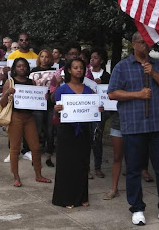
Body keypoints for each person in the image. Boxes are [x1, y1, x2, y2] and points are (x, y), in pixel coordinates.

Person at [107, 32, 159, 226]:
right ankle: (137, 208)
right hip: (133, 127)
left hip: (158, 126)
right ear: (133, 44)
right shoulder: (122, 67)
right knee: (133, 170)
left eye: (148, 42)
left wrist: (153, 73)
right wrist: (138, 94)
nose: (145, 45)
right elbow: (112, 93)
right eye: (141, 42)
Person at [52, 58, 98, 208]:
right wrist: (56, 110)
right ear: (69, 70)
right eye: (75, 67)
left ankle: (82, 196)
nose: (79, 70)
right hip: (67, 131)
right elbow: (57, 112)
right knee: (66, 164)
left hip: (83, 131)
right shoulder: (62, 89)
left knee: (82, 163)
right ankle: (66, 198)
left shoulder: (89, 90)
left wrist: (98, 109)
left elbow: (93, 109)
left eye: (81, 67)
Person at [0, 57, 51, 186]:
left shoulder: (31, 82)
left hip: (29, 117)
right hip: (15, 117)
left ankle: (38, 174)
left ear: (27, 68)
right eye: (19, 66)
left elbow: (36, 101)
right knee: (15, 148)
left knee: (35, 147)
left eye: (24, 66)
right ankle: (16, 176)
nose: (22, 68)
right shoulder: (10, 82)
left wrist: (43, 98)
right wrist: (7, 93)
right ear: (14, 69)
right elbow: (2, 103)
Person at [4, 33, 37, 162]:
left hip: (28, 95)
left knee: (29, 128)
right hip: (15, 95)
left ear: (29, 41)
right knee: (12, 129)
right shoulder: (12, 56)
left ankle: (27, 151)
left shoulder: (35, 56)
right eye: (21, 40)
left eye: (26, 40)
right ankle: (12, 152)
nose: (24, 42)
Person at [31, 49, 56, 167]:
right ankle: (35, 156)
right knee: (37, 130)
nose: (44, 59)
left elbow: (57, 88)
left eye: (47, 57)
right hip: (37, 105)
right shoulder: (34, 71)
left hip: (51, 105)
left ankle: (48, 156)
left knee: (50, 131)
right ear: (39, 58)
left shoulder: (55, 72)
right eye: (42, 57)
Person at [89, 48, 111, 178]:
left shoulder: (107, 76)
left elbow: (110, 94)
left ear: (101, 61)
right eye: (91, 57)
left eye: (95, 57)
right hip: (85, 111)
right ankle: (86, 168)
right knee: (86, 140)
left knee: (97, 139)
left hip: (99, 112)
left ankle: (97, 167)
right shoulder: (85, 73)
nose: (92, 59)